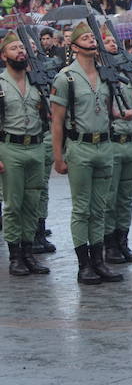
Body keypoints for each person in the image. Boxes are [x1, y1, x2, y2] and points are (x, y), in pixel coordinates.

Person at [50, 21, 124, 285]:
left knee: (100, 208)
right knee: (82, 209)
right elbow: (57, 121)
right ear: (74, 46)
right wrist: (58, 157)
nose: (93, 41)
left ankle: (99, 261)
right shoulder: (65, 78)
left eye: (94, 38)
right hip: (79, 146)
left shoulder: (105, 75)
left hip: (104, 145)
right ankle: (84, 265)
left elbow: (106, 108)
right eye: (87, 38)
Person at [0, 32, 51, 276]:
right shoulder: (0, 84)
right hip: (10, 147)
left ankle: (29, 252)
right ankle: (15, 256)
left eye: (22, 47)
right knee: (13, 204)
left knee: (32, 203)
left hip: (36, 146)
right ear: (3, 56)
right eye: (13, 48)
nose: (20, 51)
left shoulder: (37, 82)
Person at [102, 27, 132, 264]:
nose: (113, 45)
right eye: (108, 41)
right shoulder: (101, 76)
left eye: (115, 41)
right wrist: (120, 115)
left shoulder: (129, 75)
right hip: (112, 140)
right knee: (109, 197)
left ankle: (123, 241)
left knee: (126, 197)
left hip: (131, 140)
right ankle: (109, 244)